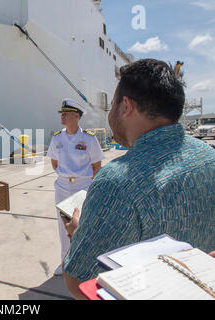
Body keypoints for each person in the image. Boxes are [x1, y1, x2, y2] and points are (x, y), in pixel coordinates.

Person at [63, 59, 215, 299]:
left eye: (113, 104)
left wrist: (79, 235)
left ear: (126, 106)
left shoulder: (116, 182)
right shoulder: (210, 157)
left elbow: (78, 283)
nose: (110, 112)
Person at [46, 99, 104, 276]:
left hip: (83, 187)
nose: (62, 116)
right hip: (63, 187)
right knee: (64, 227)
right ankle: (65, 262)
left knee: (84, 225)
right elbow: (54, 163)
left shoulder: (89, 138)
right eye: (61, 114)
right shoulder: (57, 138)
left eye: (66, 113)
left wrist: (83, 181)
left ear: (76, 116)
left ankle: (87, 262)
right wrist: (67, 175)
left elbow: (97, 166)